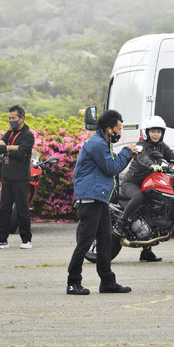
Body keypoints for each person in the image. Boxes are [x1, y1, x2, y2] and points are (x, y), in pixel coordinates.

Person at [67, 110, 137, 295]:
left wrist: (127, 155)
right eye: (119, 128)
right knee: (85, 241)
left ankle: (107, 282)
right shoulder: (98, 144)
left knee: (106, 240)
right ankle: (73, 282)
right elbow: (111, 168)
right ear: (109, 129)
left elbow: (111, 165)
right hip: (90, 198)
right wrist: (126, 151)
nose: (119, 132)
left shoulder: (102, 141)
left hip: (99, 197)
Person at [115, 115, 174, 262]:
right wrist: (152, 165)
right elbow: (142, 158)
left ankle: (146, 252)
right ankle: (120, 222)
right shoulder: (141, 144)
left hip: (149, 182)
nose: (156, 134)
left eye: (158, 131)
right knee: (139, 197)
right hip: (132, 183)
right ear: (147, 132)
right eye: (153, 131)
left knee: (152, 209)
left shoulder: (162, 146)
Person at [0, 105, 35, 250]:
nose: (11, 120)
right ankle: (1, 240)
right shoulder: (9, 133)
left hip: (21, 178)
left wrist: (7, 148)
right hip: (7, 177)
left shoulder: (27, 135)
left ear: (21, 118)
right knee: (4, 209)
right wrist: (13, 147)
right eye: (9, 118)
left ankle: (26, 240)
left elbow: (22, 153)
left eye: (13, 118)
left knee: (22, 209)